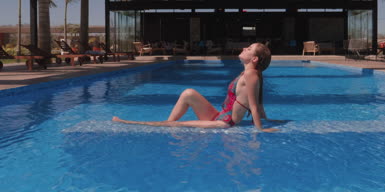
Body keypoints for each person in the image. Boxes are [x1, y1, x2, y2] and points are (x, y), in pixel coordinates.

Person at [112, 43, 279, 132]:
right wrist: (267, 119)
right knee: (188, 93)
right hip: (220, 115)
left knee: (180, 125)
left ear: (255, 59)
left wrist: (261, 130)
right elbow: (260, 102)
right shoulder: (250, 74)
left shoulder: (252, 75)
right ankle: (166, 125)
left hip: (225, 122)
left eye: (249, 49)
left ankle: (131, 122)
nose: (244, 48)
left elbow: (254, 105)